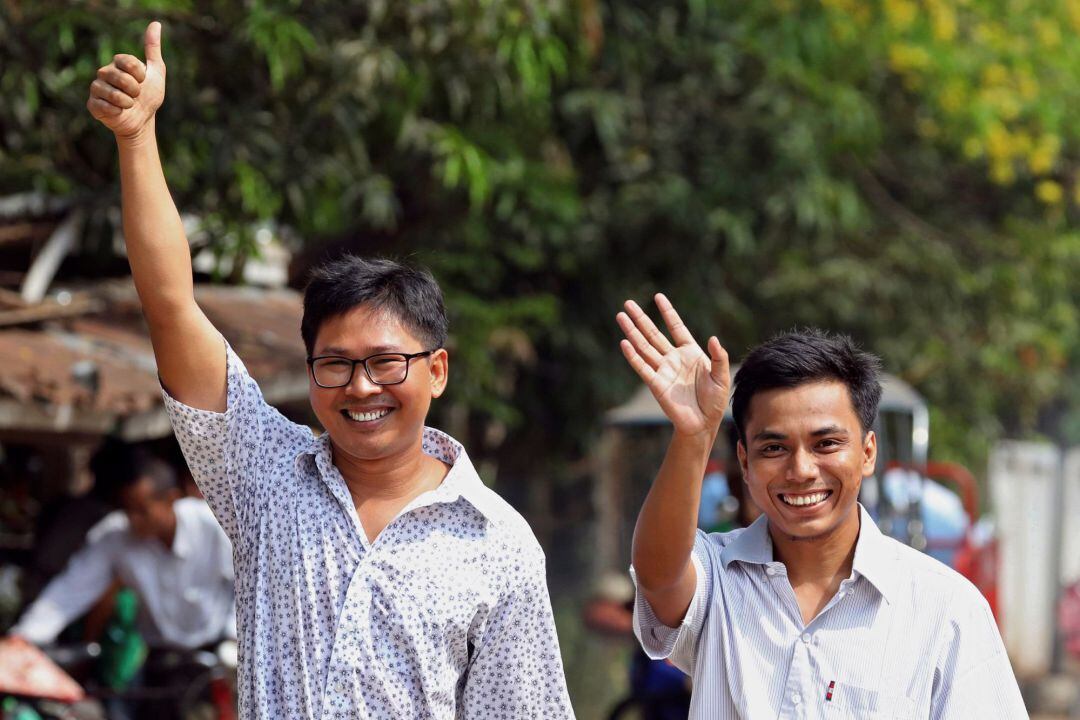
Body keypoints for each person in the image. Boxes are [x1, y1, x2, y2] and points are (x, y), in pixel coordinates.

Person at [85, 21, 574, 719]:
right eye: (336, 365)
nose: (361, 386)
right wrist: (137, 138)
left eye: (385, 363)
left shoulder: (498, 544)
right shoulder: (259, 472)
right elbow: (169, 305)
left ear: (437, 370)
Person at [616, 294, 1026, 718]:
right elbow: (658, 577)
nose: (801, 470)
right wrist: (693, 435)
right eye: (774, 447)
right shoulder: (718, 577)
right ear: (745, 462)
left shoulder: (945, 608)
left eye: (826, 443)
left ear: (868, 454)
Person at [9, 449, 235, 651]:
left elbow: (254, 583)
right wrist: (24, 638)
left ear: (170, 499)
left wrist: (235, 638)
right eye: (128, 510)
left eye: (141, 511)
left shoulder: (214, 524)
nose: (133, 520)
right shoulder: (115, 534)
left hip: (217, 649)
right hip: (155, 654)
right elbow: (69, 590)